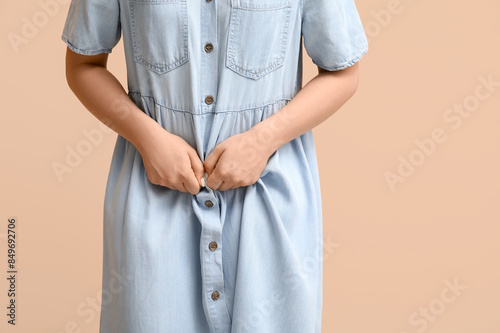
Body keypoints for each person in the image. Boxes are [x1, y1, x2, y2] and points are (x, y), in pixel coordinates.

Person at [62, 0, 368, 331]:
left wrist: (262, 141)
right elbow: (83, 65)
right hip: (155, 198)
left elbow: (343, 71)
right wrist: (148, 138)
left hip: (269, 205)